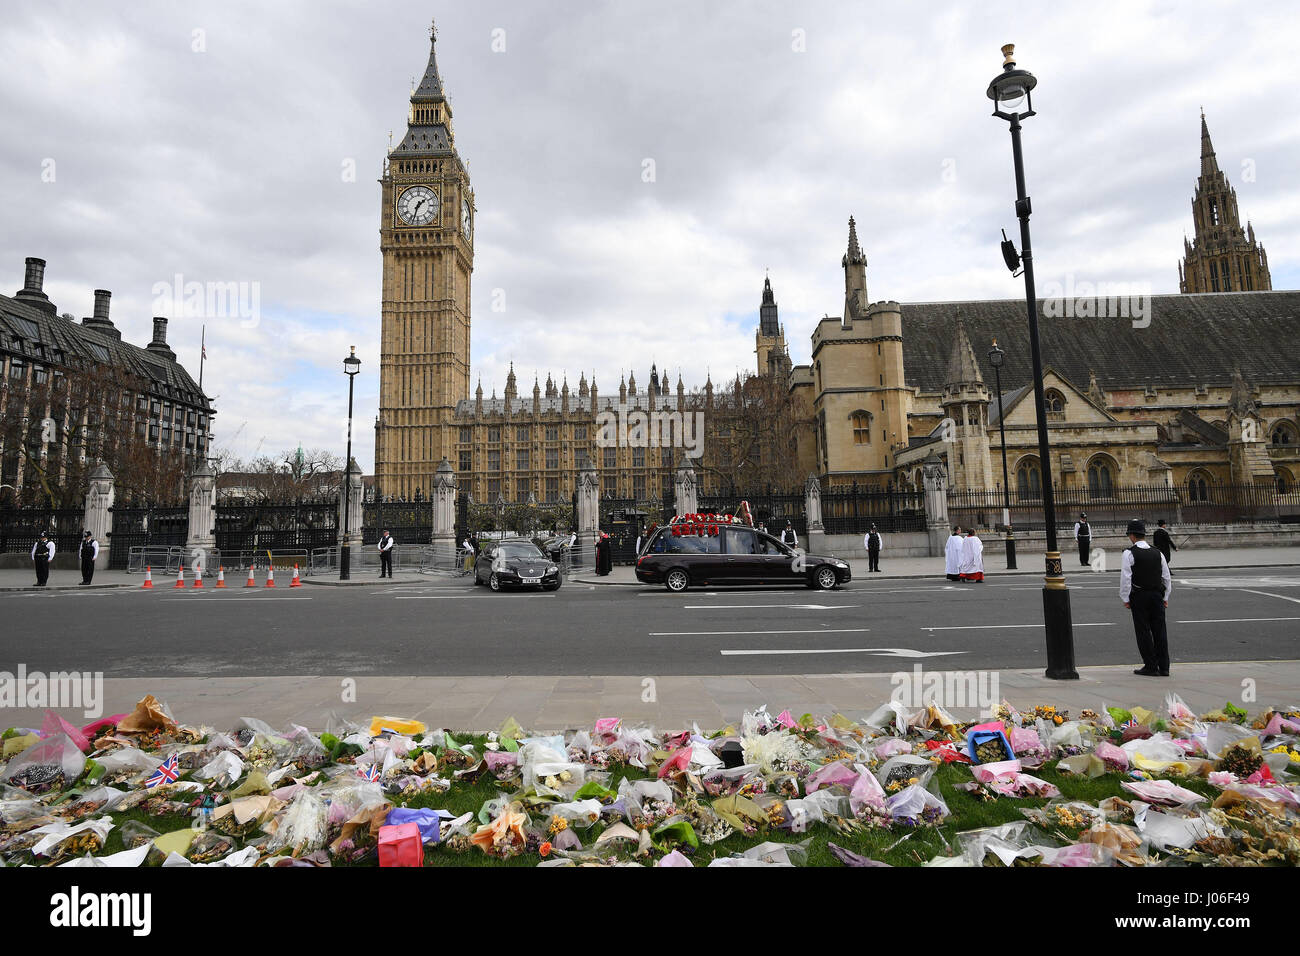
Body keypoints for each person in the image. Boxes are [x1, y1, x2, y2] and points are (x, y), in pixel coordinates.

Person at [1119, 519, 1172, 677]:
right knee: (1160, 630)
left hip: (1140, 595)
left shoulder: (1129, 553)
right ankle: (1164, 667)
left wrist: (1126, 598)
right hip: (1157, 595)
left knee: (1143, 631)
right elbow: (1166, 577)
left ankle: (1151, 665)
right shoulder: (1158, 552)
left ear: (1132, 536)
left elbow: (1126, 578)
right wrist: (1166, 596)